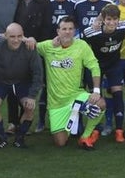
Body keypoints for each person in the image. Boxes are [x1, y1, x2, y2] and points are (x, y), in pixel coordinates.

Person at [37, 16, 106, 149]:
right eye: (64, 29)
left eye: (70, 29)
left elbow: (94, 66)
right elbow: (31, 45)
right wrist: (27, 39)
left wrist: (96, 91)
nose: (67, 32)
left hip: (76, 95)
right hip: (57, 104)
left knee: (100, 103)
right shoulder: (47, 46)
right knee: (60, 143)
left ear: (74, 31)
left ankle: (85, 136)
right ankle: (72, 119)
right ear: (58, 31)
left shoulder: (82, 46)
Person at [0, 23, 43, 149]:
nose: (16, 40)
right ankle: (1, 138)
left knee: (29, 107)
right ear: (5, 36)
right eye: (12, 36)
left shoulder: (29, 48)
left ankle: (19, 138)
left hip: (22, 82)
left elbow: (38, 73)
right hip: (0, 81)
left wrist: (32, 96)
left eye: (19, 36)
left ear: (23, 36)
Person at [82, 4, 125, 143]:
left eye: (115, 19)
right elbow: (78, 44)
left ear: (118, 19)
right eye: (109, 19)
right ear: (103, 20)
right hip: (96, 66)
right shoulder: (91, 32)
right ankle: (95, 129)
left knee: (118, 92)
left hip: (114, 65)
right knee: (96, 97)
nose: (112, 23)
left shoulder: (124, 27)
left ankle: (119, 131)